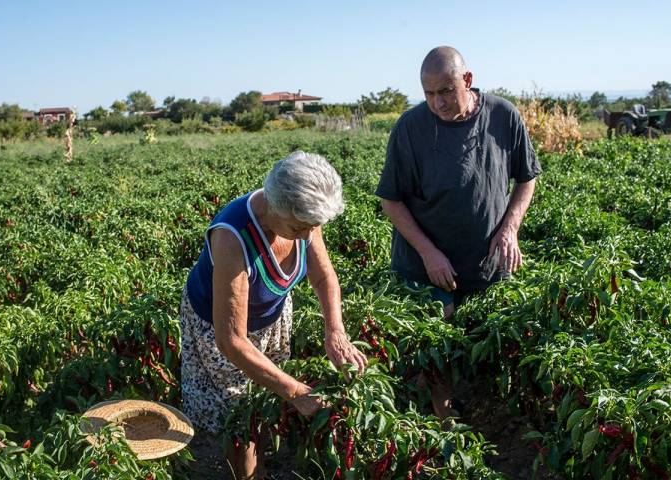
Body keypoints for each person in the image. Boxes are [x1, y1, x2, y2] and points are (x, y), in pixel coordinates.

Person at [376, 46, 541, 417]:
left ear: (467, 80)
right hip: (424, 262)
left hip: (483, 259)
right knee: (437, 334)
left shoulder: (503, 116)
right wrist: (428, 252)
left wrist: (510, 228)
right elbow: (391, 200)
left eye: (446, 91)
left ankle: (485, 409)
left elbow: (527, 177)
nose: (438, 102)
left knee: (479, 337)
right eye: (429, 94)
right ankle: (442, 412)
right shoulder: (410, 128)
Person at [181, 151, 367, 479]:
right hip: (220, 331)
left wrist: (335, 330)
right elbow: (232, 340)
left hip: (272, 316)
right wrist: (297, 392)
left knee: (268, 394)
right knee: (239, 412)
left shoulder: (303, 218)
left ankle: (263, 457)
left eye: (313, 227)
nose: (309, 234)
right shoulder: (232, 237)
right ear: (275, 207)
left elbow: (323, 276)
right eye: (299, 227)